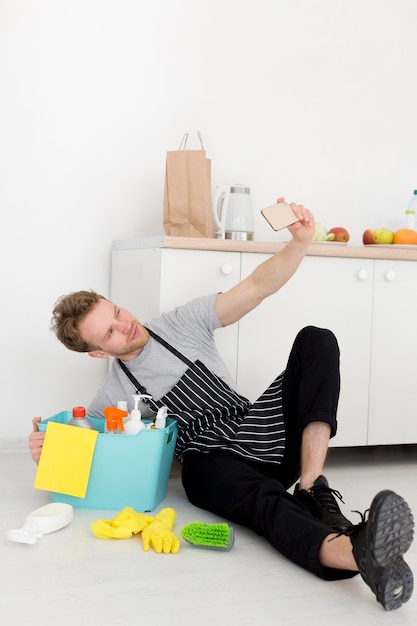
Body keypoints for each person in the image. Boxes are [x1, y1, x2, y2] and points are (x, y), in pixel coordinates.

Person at [29, 200, 414, 611]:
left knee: (316, 339)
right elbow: (83, 452)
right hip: (212, 462)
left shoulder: (181, 323)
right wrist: (48, 450)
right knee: (255, 500)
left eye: (118, 312)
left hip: (259, 430)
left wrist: (299, 243)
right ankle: (355, 552)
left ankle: (311, 487)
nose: (126, 325)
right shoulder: (113, 397)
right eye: (110, 333)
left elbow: (257, 287)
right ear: (96, 352)